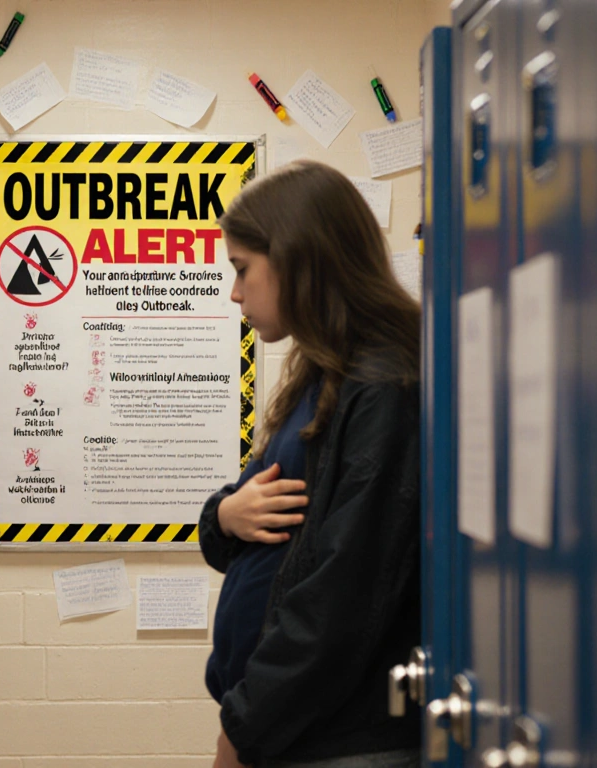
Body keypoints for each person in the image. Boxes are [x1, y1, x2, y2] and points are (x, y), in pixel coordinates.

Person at [199, 160, 423, 768]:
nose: (235, 292)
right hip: (292, 727)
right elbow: (233, 532)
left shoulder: (382, 387)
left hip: (337, 736)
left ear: (300, 258)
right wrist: (224, 516)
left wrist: (245, 728)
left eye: (243, 270)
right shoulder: (321, 378)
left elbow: (341, 598)